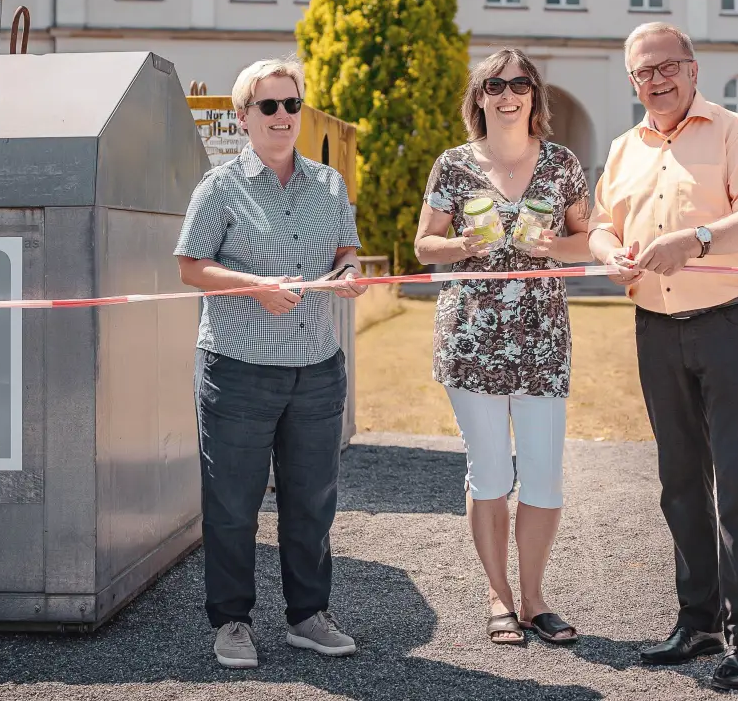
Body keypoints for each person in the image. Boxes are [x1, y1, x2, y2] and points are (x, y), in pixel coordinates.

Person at [588, 22, 738, 692]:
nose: (657, 79)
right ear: (632, 82)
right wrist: (607, 252)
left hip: (731, 322)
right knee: (679, 483)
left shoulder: (736, 133)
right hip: (655, 324)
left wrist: (696, 239)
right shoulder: (622, 150)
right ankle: (697, 620)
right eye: (644, 72)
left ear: (694, 69)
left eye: (668, 65)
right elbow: (600, 225)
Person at [175, 56, 368, 670]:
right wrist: (254, 285)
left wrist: (347, 277)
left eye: (292, 104)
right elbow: (190, 267)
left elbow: (344, 254)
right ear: (243, 117)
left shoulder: (329, 184)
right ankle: (231, 621)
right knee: (233, 504)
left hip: (315, 366)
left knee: (311, 501)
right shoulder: (219, 187)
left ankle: (308, 616)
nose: (283, 116)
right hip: (238, 367)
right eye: (269, 106)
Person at [414, 48, 594, 647]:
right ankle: (499, 596)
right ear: (481, 98)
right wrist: (462, 246)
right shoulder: (454, 166)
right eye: (496, 85)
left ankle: (537, 598)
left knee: (543, 479)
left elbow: (587, 243)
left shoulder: (563, 165)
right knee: (489, 474)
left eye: (521, 84)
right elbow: (423, 246)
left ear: (534, 97)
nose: (508, 94)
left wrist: (551, 247)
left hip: (542, 339)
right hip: (471, 340)